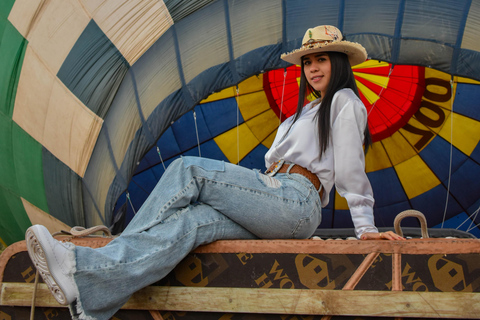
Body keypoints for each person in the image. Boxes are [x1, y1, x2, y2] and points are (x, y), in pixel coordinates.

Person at [25, 25, 404, 320]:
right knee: (190, 223)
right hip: (274, 198)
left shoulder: (344, 101)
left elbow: (353, 167)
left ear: (338, 63)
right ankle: (91, 297)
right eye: (307, 61)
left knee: (188, 168)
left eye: (322, 59)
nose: (313, 68)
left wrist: (366, 229)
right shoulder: (298, 115)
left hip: (296, 201)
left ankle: (98, 258)